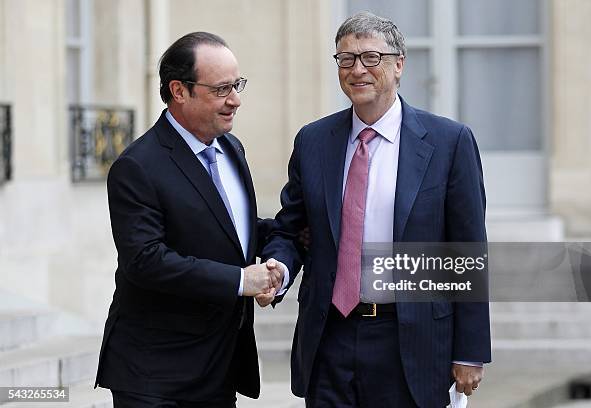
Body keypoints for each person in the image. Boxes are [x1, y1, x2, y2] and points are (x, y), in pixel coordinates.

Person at [259, 12, 491, 408]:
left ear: (398, 65)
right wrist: (278, 270)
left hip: (409, 340)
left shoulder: (449, 142)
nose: (356, 70)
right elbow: (290, 229)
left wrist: (469, 351)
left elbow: (466, 252)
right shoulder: (314, 141)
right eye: (345, 59)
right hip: (329, 336)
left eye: (370, 57)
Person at [95, 31, 283, 408]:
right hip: (154, 375)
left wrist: (283, 249)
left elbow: (234, 231)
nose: (235, 100)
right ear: (179, 91)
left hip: (219, 367)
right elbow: (145, 260)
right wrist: (240, 280)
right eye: (221, 89)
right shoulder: (137, 166)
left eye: (237, 85)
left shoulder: (231, 147)